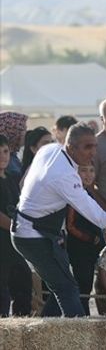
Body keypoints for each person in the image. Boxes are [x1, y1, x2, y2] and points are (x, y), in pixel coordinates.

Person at [12, 123, 106, 317]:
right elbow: (102, 219)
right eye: (87, 147)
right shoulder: (64, 175)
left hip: (35, 231)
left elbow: (24, 183)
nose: (93, 152)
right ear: (71, 147)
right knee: (67, 288)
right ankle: (76, 340)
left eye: (95, 146)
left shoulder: (50, 149)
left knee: (64, 287)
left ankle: (50, 335)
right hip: (33, 236)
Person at [0, 135, 35, 317]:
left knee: (23, 291)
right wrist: (19, 227)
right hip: (3, 245)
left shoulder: (13, 178)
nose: (3, 157)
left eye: (5, 151)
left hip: (16, 246)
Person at [65, 163, 106, 313]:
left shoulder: (88, 192)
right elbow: (71, 225)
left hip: (92, 248)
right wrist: (90, 238)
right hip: (79, 248)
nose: (88, 174)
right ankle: (81, 318)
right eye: (83, 170)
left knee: (89, 286)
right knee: (83, 286)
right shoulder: (74, 194)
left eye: (91, 170)